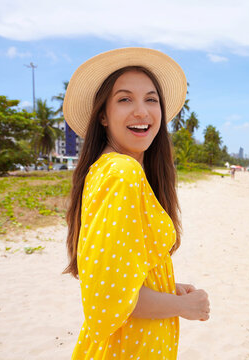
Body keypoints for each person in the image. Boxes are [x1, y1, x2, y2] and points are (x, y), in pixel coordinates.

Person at [63, 48, 210, 359]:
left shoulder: (112, 170)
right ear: (102, 114)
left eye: (151, 99)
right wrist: (182, 306)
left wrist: (168, 288)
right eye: (125, 99)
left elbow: (122, 275)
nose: (142, 111)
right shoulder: (122, 173)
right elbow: (107, 299)